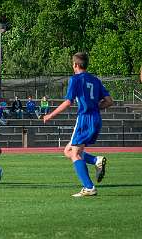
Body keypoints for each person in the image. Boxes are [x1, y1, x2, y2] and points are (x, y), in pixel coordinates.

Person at [44, 52, 113, 197]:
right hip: (96, 118)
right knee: (68, 151)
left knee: (74, 153)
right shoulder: (95, 80)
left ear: (75, 65)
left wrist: (50, 115)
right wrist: (94, 107)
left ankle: (89, 187)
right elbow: (109, 101)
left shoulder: (75, 79)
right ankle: (96, 160)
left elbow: (68, 102)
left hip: (84, 119)